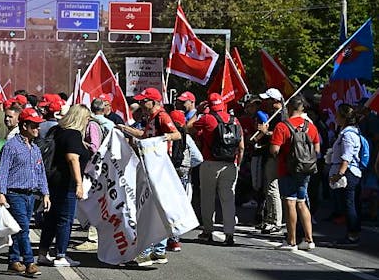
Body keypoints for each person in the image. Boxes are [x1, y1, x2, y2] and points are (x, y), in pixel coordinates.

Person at [117, 87, 181, 265]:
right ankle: (158, 250)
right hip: (152, 167)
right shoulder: (152, 118)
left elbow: (176, 134)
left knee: (146, 209)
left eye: (145, 101)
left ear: (154, 102)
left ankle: (145, 252)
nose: (142, 105)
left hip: (156, 168)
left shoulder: (161, 116)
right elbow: (144, 135)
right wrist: (125, 128)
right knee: (155, 209)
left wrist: (160, 140)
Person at [0, 108, 49, 277]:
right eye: (34, 126)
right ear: (24, 126)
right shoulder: (11, 147)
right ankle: (29, 262)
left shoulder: (35, 149)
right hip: (14, 193)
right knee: (23, 229)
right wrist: (0, 192)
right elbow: (2, 170)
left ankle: (13, 260)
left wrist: (45, 193)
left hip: (30, 194)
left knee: (19, 228)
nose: (37, 129)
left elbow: (40, 172)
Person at [37, 104, 91, 267]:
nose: (88, 122)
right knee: (65, 219)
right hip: (66, 182)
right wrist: (79, 184)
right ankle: (61, 254)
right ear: (81, 118)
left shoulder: (57, 131)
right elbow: (72, 158)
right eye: (87, 118)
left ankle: (42, 253)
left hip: (52, 180)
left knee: (51, 219)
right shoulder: (73, 134)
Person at [269, 95, 320, 251]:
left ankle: (291, 241)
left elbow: (274, 150)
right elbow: (317, 150)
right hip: (306, 170)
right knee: (302, 202)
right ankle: (309, 239)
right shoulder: (311, 127)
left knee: (290, 202)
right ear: (302, 108)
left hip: (288, 169)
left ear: (289, 108)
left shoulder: (282, 126)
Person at [193, 93, 244, 245]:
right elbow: (241, 147)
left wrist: (198, 111)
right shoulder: (235, 121)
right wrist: (238, 164)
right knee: (228, 199)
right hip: (230, 164)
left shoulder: (207, 118)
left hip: (209, 163)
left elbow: (187, 127)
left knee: (207, 198)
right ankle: (229, 234)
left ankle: (208, 231)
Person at [329, 104, 366, 247]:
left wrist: (339, 174)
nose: (335, 117)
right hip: (350, 172)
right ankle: (352, 233)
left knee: (349, 204)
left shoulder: (348, 134)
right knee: (351, 204)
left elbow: (347, 157)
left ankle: (352, 236)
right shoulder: (348, 132)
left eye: (337, 114)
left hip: (349, 173)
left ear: (344, 117)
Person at [253, 88, 286, 234]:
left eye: (267, 100)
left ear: (274, 101)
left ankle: (276, 221)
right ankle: (270, 218)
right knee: (268, 188)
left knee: (273, 188)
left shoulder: (282, 116)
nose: (264, 102)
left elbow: (282, 134)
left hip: (276, 155)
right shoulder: (273, 115)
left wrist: (266, 132)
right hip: (270, 154)